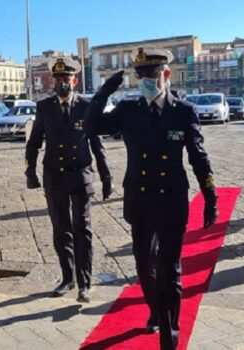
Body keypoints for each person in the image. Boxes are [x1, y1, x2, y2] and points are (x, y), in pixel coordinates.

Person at [85, 47, 218, 350]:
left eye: (152, 74)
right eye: (142, 75)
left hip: (172, 201)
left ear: (166, 75)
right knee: (145, 265)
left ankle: (169, 339)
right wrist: (104, 92)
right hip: (141, 201)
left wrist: (210, 196)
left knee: (170, 271)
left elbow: (199, 157)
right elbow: (92, 127)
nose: (147, 79)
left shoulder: (183, 111)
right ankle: (156, 311)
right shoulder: (129, 110)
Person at [25, 57, 113, 303]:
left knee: (82, 229)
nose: (62, 83)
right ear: (53, 81)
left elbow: (97, 144)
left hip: (81, 174)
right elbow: (34, 142)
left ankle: (85, 283)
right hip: (54, 175)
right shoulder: (45, 107)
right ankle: (68, 278)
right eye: (58, 79)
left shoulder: (86, 106)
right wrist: (29, 171)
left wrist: (106, 176)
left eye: (66, 79)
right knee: (60, 228)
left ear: (74, 80)